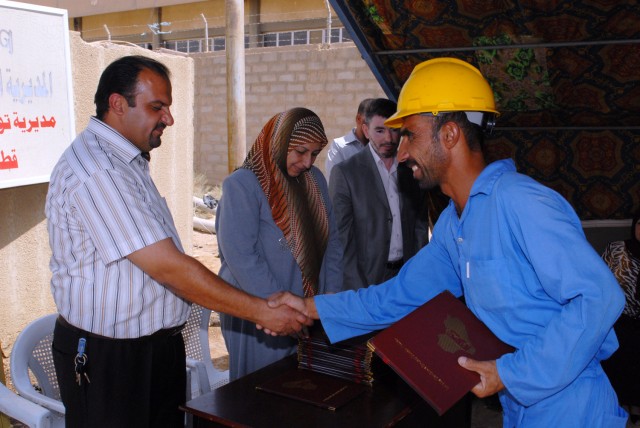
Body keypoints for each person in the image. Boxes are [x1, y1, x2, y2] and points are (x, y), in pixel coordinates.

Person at [267, 57, 628, 427]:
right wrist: (310, 308)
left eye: (410, 134)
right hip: (522, 406)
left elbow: (599, 296)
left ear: (450, 134)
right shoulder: (454, 224)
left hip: (572, 405)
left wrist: (513, 372)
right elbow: (397, 297)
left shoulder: (520, 202)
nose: (401, 150)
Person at [44, 55, 310, 428]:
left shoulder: (128, 162)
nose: (168, 119)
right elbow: (169, 266)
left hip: (158, 350)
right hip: (112, 361)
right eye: (157, 107)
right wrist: (262, 311)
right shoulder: (98, 170)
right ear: (118, 104)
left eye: (167, 107)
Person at [215, 107, 344, 380]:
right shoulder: (243, 185)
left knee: (302, 390)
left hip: (309, 309)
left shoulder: (315, 182)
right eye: (300, 151)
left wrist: (327, 302)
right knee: (259, 389)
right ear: (278, 142)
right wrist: (284, 311)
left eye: (314, 154)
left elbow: (332, 244)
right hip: (258, 311)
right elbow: (242, 258)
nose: (308, 162)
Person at [329, 98, 428, 290]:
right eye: (380, 131)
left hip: (406, 277)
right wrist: (358, 290)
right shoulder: (345, 173)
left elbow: (420, 228)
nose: (389, 139)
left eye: (394, 130)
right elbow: (342, 240)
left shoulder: (413, 171)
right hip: (365, 282)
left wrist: (417, 275)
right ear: (366, 130)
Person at [602, 212, 640, 423]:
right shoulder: (616, 249)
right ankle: (620, 407)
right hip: (619, 321)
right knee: (618, 366)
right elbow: (600, 281)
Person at [324, 98, 372, 182]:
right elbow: (336, 183)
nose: (371, 126)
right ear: (358, 119)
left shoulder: (381, 147)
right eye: (368, 121)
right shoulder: (339, 146)